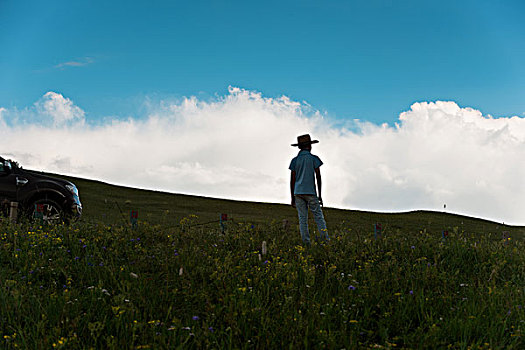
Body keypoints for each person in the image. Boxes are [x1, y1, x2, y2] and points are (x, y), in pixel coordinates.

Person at [289, 134, 329, 245]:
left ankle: (306, 243)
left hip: (298, 192)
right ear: (309, 146)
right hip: (310, 192)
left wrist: (292, 197)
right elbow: (318, 177)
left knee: (303, 219)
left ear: (299, 147)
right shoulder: (313, 159)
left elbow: (292, 180)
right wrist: (319, 194)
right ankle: (325, 241)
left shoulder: (295, 161)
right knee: (318, 217)